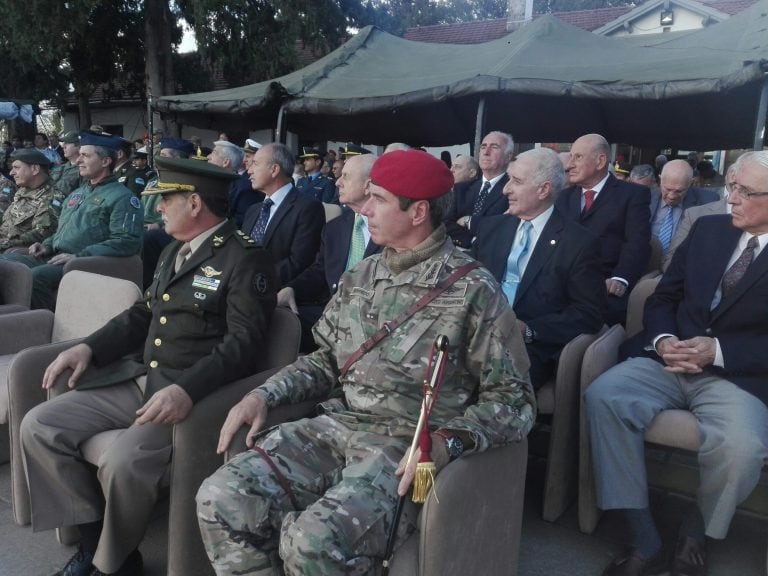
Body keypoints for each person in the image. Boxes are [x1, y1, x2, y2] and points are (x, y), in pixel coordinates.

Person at [196, 149, 535, 576]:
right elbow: (324, 361)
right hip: (336, 427)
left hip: (401, 448)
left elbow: (515, 401)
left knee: (312, 542)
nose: (364, 208)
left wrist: (447, 443)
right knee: (220, 496)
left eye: (378, 198)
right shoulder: (362, 275)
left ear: (418, 213)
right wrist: (265, 394)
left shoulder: (474, 291)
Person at [19, 156, 277, 576]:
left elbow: (244, 344)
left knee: (124, 462)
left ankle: (111, 563)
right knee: (39, 426)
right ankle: (92, 539)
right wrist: (90, 348)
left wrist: (188, 390)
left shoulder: (244, 258)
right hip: (141, 379)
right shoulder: (173, 249)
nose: (158, 208)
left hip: (187, 396)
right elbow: (144, 313)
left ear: (194, 204)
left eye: (167, 200)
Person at [585, 150, 768, 576]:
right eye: (731, 187)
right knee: (604, 396)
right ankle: (643, 535)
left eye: (745, 192)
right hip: (666, 359)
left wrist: (716, 352)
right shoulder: (708, 229)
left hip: (738, 377)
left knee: (742, 448)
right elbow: (664, 296)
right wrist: (665, 340)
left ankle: (696, 532)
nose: (731, 199)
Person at [472, 147, 605, 388]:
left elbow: (588, 314)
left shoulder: (579, 243)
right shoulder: (490, 228)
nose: (505, 189)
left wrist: (530, 330)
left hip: (527, 349)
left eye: (516, 181)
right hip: (475, 336)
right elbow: (470, 284)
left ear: (543, 189)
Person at [0, 132, 143, 310]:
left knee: (37, 277)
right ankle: (10, 318)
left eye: (86, 155)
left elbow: (127, 241)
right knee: (4, 262)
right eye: (80, 155)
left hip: (83, 262)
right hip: (53, 255)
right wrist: (46, 244)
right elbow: (63, 229)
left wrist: (79, 256)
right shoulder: (78, 193)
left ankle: (46, 324)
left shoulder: (121, 197)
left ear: (105, 161)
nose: (79, 160)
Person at [279, 153, 381, 352]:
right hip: (331, 312)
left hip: (373, 321)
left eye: (346, 176)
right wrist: (292, 288)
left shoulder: (391, 228)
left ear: (368, 185)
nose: (338, 183)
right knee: (277, 319)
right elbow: (320, 269)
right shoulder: (335, 227)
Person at [555, 133, 651, 326]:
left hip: (605, 285)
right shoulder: (562, 198)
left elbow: (637, 242)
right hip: (561, 283)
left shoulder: (633, 195)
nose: (569, 165)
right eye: (570, 156)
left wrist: (620, 278)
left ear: (600, 161)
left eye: (578, 157)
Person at [243, 143, 325, 286]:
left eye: (255, 164)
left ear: (274, 170)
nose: (249, 170)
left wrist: (254, 282)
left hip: (275, 293)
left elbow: (299, 262)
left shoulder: (308, 208)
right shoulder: (252, 210)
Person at [444, 131, 513, 248]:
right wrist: (471, 241)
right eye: (483, 147)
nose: (486, 152)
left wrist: (469, 221)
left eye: (494, 147)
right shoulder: (462, 189)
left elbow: (504, 226)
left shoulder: (512, 190)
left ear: (508, 157)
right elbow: (446, 223)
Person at [662, 165, 735, 271]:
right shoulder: (696, 214)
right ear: (729, 179)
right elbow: (672, 260)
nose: (672, 196)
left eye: (679, 191)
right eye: (737, 187)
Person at [649, 159, 719, 256]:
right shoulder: (647, 197)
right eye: (667, 189)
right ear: (660, 179)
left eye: (679, 191)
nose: (671, 196)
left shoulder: (706, 202)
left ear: (691, 183)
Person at [0, 149, 61, 251]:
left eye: (17, 168)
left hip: (16, 252)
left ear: (35, 169)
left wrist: (5, 243)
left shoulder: (52, 197)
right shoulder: (23, 190)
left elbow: (41, 234)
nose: (11, 173)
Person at [208, 139, 263, 228]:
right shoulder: (230, 183)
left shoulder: (245, 186)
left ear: (226, 162)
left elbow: (243, 221)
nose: (208, 156)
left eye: (214, 152)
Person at [50, 130, 83, 198]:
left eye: (67, 143)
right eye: (63, 143)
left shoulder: (84, 170)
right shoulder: (60, 167)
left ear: (78, 146)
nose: (63, 146)